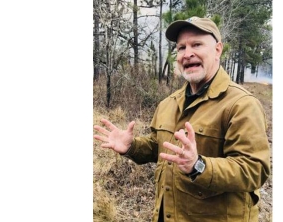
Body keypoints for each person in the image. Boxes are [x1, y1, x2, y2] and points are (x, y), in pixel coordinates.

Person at [94, 16, 271, 222]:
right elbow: (159, 147)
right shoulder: (168, 103)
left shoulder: (241, 104)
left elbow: (254, 169)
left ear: (217, 50)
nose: (187, 54)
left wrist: (199, 165)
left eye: (197, 44)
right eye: (180, 48)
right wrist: (132, 146)